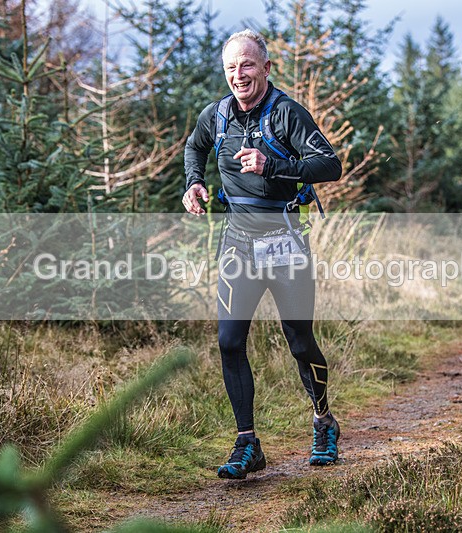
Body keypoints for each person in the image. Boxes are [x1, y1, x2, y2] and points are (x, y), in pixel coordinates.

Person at [182, 29, 343, 479]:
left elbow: (330, 164)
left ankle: (323, 421)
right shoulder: (216, 117)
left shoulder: (287, 114)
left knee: (299, 341)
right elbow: (194, 148)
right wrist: (193, 183)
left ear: (266, 68)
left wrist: (275, 165)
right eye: (231, 68)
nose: (239, 75)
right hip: (238, 242)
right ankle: (247, 442)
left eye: (247, 65)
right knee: (229, 341)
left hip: (285, 240)